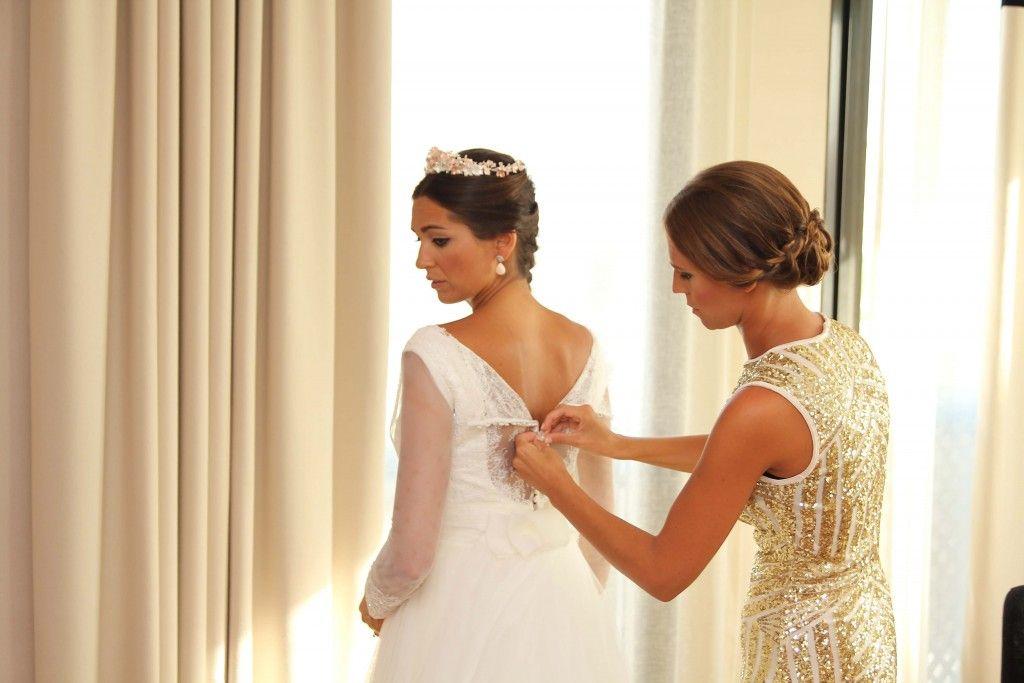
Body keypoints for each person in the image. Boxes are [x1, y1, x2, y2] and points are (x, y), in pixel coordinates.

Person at [514, 160, 898, 681]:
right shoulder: (844, 346)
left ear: (745, 272)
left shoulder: (760, 406)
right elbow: (759, 462)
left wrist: (558, 485)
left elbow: (662, 572)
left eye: (687, 273)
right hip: (863, 630)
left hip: (803, 653)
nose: (677, 289)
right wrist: (618, 444)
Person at [359, 148, 626, 682]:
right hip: (563, 602)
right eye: (418, 241)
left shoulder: (435, 352)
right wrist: (572, 612)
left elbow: (412, 552)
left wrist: (377, 601)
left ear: (503, 241)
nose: (421, 260)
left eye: (438, 240)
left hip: (455, 609)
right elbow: (600, 519)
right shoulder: (586, 347)